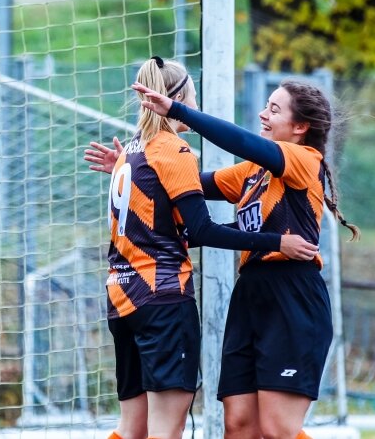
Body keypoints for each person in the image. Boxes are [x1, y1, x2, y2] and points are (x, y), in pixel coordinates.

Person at [92, 76, 359, 439]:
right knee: (238, 425)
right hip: (249, 295)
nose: (263, 114)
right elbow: (181, 180)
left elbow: (241, 142)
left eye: (274, 110)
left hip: (292, 295)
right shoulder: (252, 173)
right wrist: (136, 169)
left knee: (278, 428)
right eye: (265, 106)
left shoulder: (303, 159)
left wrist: (178, 111)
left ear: (300, 127)